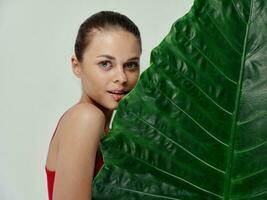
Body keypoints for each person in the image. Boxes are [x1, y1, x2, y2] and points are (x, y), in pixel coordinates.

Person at [45, 11, 142, 200]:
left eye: (130, 65)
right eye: (105, 64)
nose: (121, 78)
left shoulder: (108, 131)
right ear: (76, 65)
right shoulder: (86, 118)